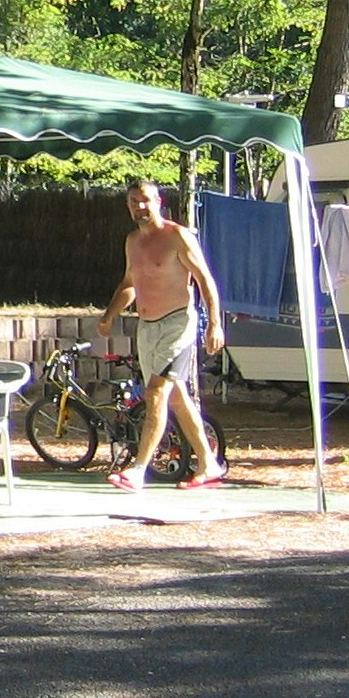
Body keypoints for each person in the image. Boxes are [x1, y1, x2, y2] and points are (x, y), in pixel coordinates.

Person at [99, 179, 227, 490]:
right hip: (147, 327)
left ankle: (139, 469)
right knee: (178, 399)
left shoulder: (177, 236)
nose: (139, 207)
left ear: (158, 201)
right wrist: (109, 316)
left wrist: (214, 323)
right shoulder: (132, 242)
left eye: (144, 200)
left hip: (177, 325)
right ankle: (208, 463)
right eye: (133, 201)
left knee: (156, 392)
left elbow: (205, 280)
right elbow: (130, 283)